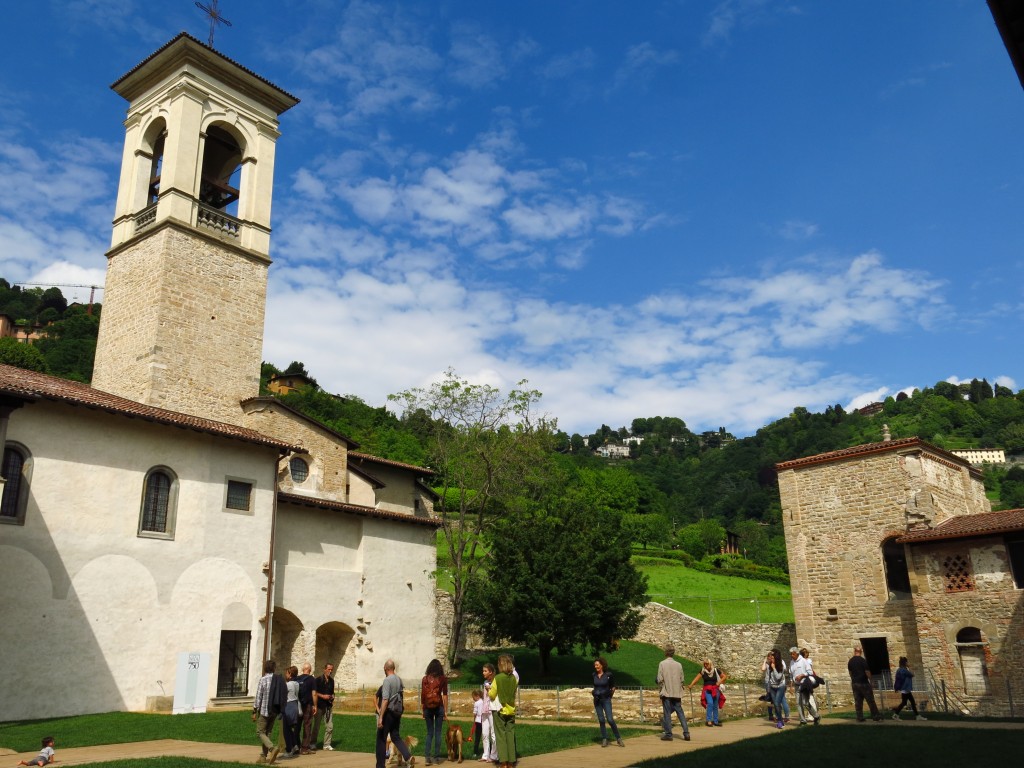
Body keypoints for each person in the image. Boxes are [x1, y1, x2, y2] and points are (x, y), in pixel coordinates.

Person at [376, 659, 413, 768]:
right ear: (394, 668)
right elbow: (401, 696)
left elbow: (385, 699)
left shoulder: (387, 680)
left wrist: (381, 717)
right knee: (395, 736)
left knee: (381, 739)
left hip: (388, 712)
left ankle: (380, 765)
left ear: (385, 668)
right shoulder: (399, 679)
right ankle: (408, 756)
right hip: (397, 712)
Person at [253, 659, 286, 764]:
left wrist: (254, 710)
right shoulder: (278, 679)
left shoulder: (263, 680)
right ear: (274, 668)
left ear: (265, 668)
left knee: (260, 732)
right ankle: (263, 757)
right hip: (275, 709)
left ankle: (272, 749)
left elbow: (259, 696)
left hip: (264, 710)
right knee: (268, 733)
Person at [655, 644, 691, 742]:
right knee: (680, 712)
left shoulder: (662, 664)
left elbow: (659, 679)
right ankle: (686, 733)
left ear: (666, 652)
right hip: (676, 692)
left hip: (667, 692)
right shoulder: (679, 665)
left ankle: (668, 734)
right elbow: (682, 679)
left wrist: (659, 684)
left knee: (667, 713)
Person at [488, 655, 518, 768]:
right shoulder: (514, 678)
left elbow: (492, 694)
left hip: (499, 709)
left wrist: (489, 689)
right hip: (511, 709)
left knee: (500, 735)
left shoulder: (498, 678)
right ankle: (511, 761)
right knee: (510, 734)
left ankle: (504, 762)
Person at [421, 658, 450, 765]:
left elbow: (423, 695)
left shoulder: (425, 679)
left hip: (428, 708)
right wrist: (445, 711)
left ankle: (427, 758)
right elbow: (445, 695)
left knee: (429, 733)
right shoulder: (443, 679)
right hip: (439, 708)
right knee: (438, 733)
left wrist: (423, 710)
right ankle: (437, 758)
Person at [591, 657, 624, 748]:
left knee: (610, 719)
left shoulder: (608, 675)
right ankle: (604, 739)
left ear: (602, 665)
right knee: (601, 720)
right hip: (597, 700)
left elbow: (613, 687)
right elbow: (595, 686)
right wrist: (594, 693)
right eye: (595, 665)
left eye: (597, 664)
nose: (595, 666)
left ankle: (618, 738)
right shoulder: (594, 675)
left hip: (606, 700)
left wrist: (610, 696)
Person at [848, 646, 882, 722]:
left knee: (858, 701)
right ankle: (876, 716)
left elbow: (850, 673)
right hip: (863, 683)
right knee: (870, 700)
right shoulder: (863, 661)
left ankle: (859, 717)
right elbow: (867, 672)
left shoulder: (850, 661)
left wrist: (853, 679)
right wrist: (871, 681)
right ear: (861, 652)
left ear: (854, 651)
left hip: (855, 683)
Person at [688, 658, 725, 727]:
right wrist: (691, 685)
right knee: (710, 703)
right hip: (707, 690)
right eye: (704, 664)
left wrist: (719, 682)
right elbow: (697, 678)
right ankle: (709, 721)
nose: (705, 665)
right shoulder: (703, 671)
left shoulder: (716, 670)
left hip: (715, 689)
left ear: (710, 664)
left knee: (715, 705)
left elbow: (724, 676)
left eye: (707, 664)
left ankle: (716, 721)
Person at [788, 647, 819, 725]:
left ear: (797, 654)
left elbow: (810, 672)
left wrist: (802, 675)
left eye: (793, 654)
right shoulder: (791, 662)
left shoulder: (804, 661)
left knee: (805, 703)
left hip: (804, 684)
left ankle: (816, 716)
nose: (792, 655)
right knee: (798, 703)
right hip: (797, 685)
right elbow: (791, 675)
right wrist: (791, 686)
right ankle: (802, 721)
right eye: (791, 654)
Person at [312, 663, 336, 751]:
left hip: (328, 706)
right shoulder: (318, 680)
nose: (330, 671)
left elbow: (332, 692)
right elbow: (314, 692)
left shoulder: (332, 681)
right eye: (329, 669)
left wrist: (332, 696)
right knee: (316, 726)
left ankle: (326, 744)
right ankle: (312, 743)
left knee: (330, 726)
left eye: (331, 670)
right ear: (324, 669)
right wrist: (323, 696)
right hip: (319, 705)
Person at [765, 649, 789, 729]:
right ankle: (780, 720)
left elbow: (778, 677)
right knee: (775, 704)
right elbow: (769, 678)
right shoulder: (770, 665)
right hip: (772, 687)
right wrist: (768, 690)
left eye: (772, 658)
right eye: (770, 658)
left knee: (777, 703)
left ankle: (780, 721)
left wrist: (774, 668)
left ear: (776, 658)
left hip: (780, 687)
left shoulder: (780, 666)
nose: (771, 659)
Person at [296, 663, 317, 754]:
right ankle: (305, 748)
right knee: (307, 725)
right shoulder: (312, 679)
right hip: (307, 704)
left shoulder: (297, 679)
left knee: (297, 725)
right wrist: (315, 705)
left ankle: (296, 746)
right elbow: (314, 693)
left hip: (298, 704)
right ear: (310, 670)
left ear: (302, 669)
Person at [283, 665, 302, 756]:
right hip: (294, 705)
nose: (285, 675)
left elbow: (282, 694)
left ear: (290, 674)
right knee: (290, 729)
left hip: (289, 705)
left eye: (287, 673)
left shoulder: (289, 684)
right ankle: (295, 745)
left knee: (286, 730)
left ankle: (289, 750)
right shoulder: (297, 684)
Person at [480, 665, 497, 764]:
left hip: (492, 709)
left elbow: (494, 694)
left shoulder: (495, 681)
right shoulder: (485, 682)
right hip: (485, 709)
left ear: (490, 672)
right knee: (485, 733)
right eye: (483, 671)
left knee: (493, 733)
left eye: (485, 671)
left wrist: (489, 688)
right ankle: (485, 754)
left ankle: (494, 755)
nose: (483, 673)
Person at [470, 689, 485, 758]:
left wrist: (474, 721)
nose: (473, 698)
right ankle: (486, 751)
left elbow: (475, 713)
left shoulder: (476, 703)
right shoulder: (483, 701)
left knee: (477, 738)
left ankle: (475, 752)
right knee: (485, 737)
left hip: (478, 721)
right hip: (484, 721)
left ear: (477, 696)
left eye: (473, 697)